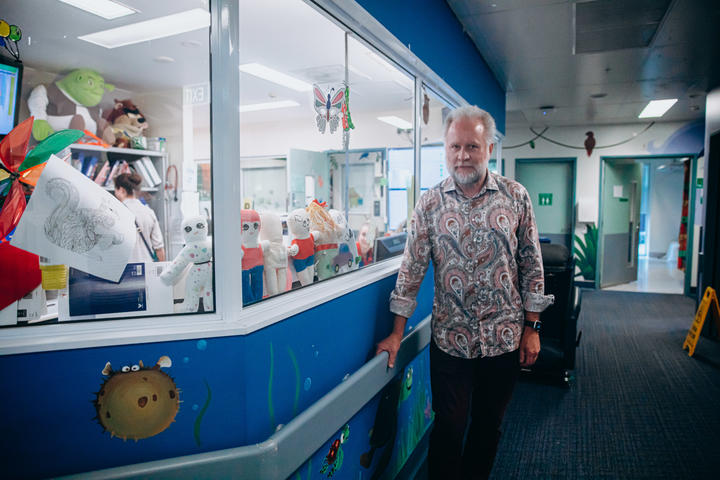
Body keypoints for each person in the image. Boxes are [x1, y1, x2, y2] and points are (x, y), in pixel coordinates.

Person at [376, 105, 553, 480]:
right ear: (445, 148)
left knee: (488, 426)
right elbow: (411, 271)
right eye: (454, 146)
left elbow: (531, 265)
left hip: (504, 338)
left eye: (471, 146)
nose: (462, 155)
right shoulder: (429, 204)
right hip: (451, 339)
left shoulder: (515, 197)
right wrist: (396, 333)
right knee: (449, 426)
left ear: (488, 148)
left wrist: (532, 327)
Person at [114, 173, 166, 262]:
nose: (115, 193)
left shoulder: (116, 212)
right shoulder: (149, 212)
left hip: (124, 268)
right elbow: (159, 248)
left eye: (116, 189)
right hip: (147, 267)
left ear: (122, 190)